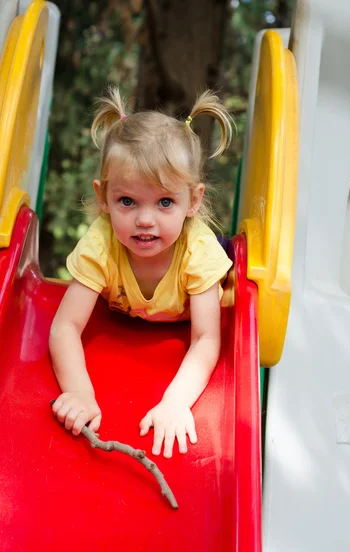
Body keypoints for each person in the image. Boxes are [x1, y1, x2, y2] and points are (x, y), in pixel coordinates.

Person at [50, 87, 233, 458]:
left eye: (165, 202)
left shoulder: (197, 250)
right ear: (103, 198)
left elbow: (206, 340)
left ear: (193, 201)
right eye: (127, 201)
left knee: (225, 276)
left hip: (188, 313)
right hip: (125, 319)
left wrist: (176, 403)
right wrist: (79, 391)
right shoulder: (101, 242)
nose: (145, 220)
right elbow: (64, 327)